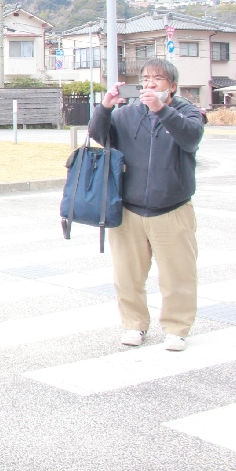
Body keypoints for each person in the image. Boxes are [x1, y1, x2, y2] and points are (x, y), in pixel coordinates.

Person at [90, 58, 203, 352]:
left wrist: (161, 110)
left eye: (159, 79)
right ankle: (133, 324)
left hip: (173, 207)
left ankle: (177, 328)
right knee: (127, 275)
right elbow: (99, 136)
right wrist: (105, 107)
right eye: (146, 78)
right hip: (130, 208)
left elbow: (191, 139)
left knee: (178, 275)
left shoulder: (187, 112)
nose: (150, 84)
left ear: (173, 86)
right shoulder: (127, 114)